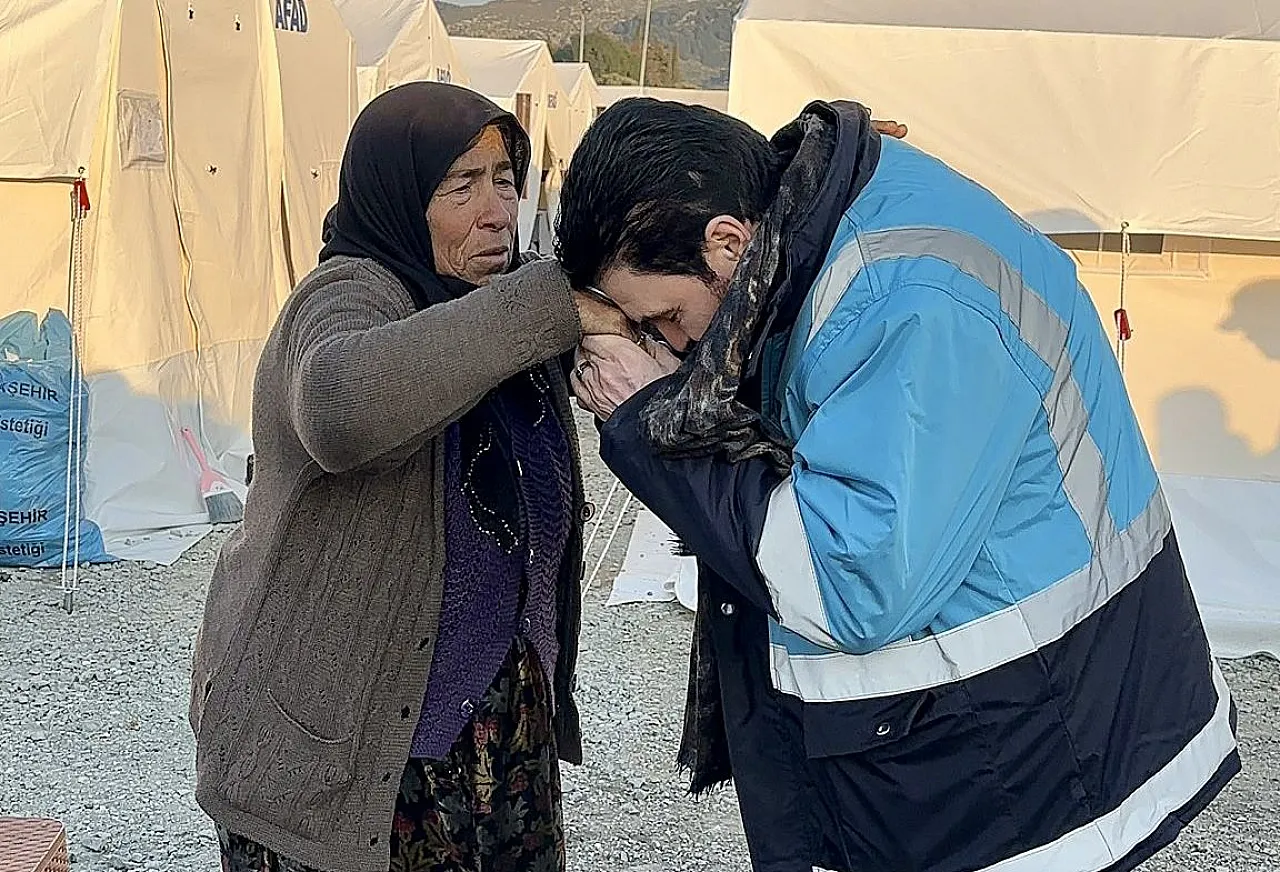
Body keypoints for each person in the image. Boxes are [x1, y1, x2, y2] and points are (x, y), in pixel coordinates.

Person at [558, 98, 1240, 872]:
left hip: (1023, 768)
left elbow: (850, 585)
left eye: (669, 318)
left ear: (727, 242)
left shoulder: (907, 300)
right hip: (1001, 733)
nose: (677, 347)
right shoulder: (830, 211)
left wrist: (655, 423)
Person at [188, 83, 626, 872]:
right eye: (461, 186)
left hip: (496, 738)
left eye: (505, 180)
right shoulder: (349, 294)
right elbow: (340, 409)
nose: (497, 212)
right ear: (398, 192)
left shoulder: (499, 308)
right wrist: (541, 306)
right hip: (342, 755)